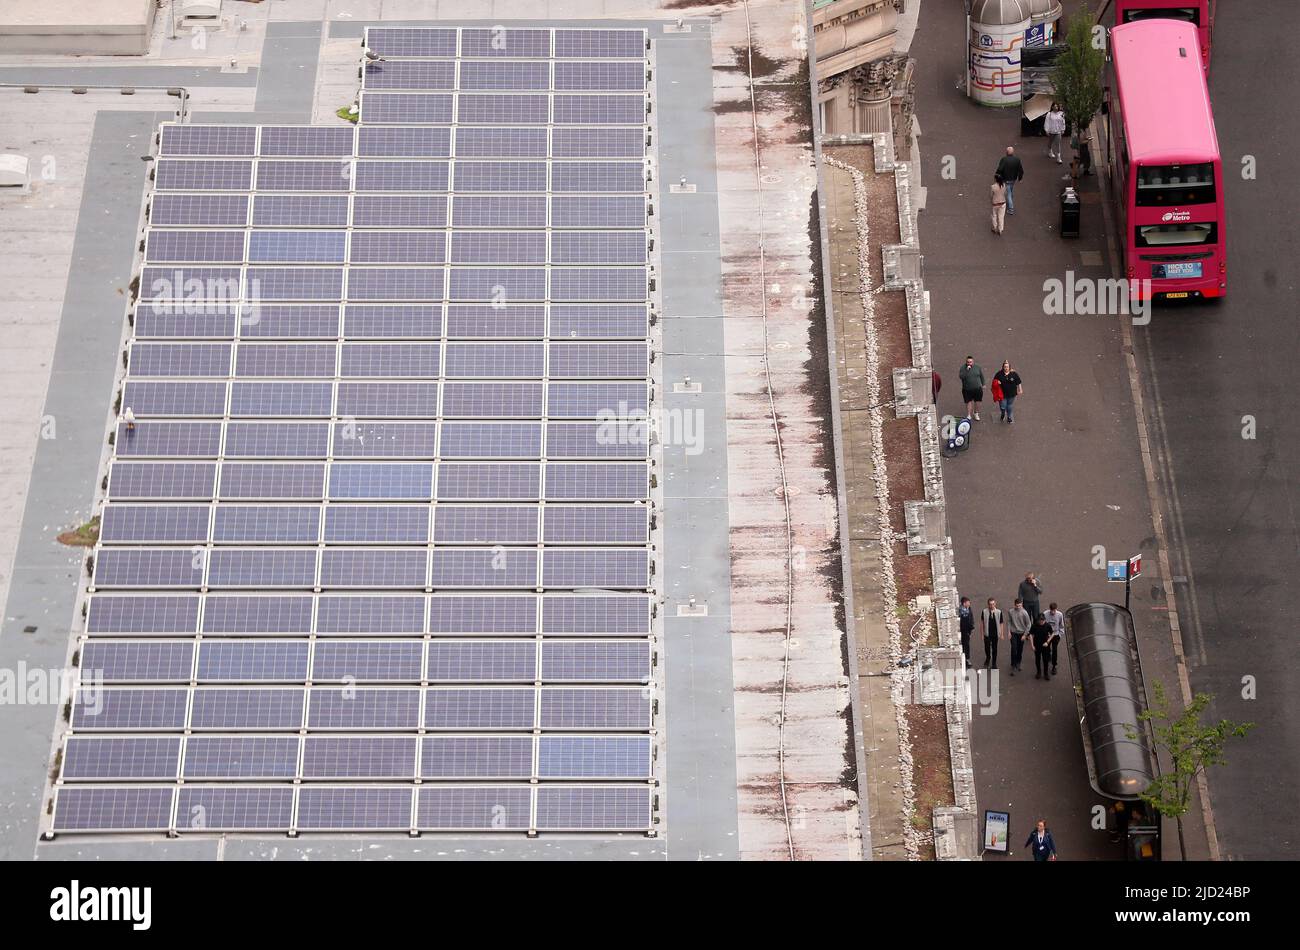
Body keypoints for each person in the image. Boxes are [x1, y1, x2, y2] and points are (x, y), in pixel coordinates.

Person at [995, 146, 1024, 215]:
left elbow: (1000, 169)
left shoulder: (1004, 160)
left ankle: (1011, 208)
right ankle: (1010, 199)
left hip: (1006, 179)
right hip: (1013, 179)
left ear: (1006, 152)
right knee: (1010, 190)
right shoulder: (1017, 160)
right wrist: (1020, 178)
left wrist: (997, 176)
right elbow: (1021, 170)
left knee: (1008, 193)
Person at [980, 597, 1006, 670]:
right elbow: (982, 623)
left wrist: (1002, 633)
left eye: (993, 604)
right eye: (990, 604)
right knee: (987, 648)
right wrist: (982, 634)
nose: (992, 606)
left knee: (995, 649)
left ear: (995, 604)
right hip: (987, 634)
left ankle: (994, 663)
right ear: (988, 605)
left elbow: (1001, 623)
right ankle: (988, 658)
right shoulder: (984, 611)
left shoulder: (999, 612)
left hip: (995, 634)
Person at [1007, 597, 1031, 675]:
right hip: (1013, 632)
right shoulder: (1010, 611)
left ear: (1022, 605)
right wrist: (1009, 632)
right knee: (1014, 649)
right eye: (1017, 606)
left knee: (1020, 649)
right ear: (1014, 605)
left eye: (1020, 606)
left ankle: (1018, 662)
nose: (1018, 607)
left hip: (1021, 634)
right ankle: (1013, 664)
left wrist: (1025, 635)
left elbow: (1028, 624)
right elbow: (1009, 621)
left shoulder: (1024, 613)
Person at [959, 356, 985, 421]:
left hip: (977, 388)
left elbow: (981, 376)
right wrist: (967, 371)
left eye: (970, 362)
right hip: (967, 389)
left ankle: (976, 413)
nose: (969, 363)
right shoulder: (963, 368)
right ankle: (969, 415)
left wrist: (983, 384)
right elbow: (961, 377)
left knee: (978, 402)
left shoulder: (977, 367)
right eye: (968, 362)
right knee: (968, 402)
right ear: (966, 362)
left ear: (973, 362)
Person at [1029, 613, 1053, 679]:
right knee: (1037, 659)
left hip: (1045, 646)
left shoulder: (1048, 625)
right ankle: (1038, 672)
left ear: (1044, 619)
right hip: (1037, 645)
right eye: (1040, 620)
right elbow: (1031, 634)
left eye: (1043, 620)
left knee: (1045, 660)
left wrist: (1047, 642)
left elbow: (1052, 634)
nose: (1041, 622)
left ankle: (1046, 673)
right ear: (1038, 620)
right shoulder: (1034, 626)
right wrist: (1032, 645)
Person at [1045, 602, 1065, 675]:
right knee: (1047, 648)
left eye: (1054, 610)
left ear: (1056, 609)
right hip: (1047, 635)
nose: (1053, 612)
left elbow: (1061, 625)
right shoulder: (1045, 614)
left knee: (1055, 650)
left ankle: (1054, 666)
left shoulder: (1059, 615)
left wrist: (1060, 634)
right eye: (1051, 610)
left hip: (1056, 635)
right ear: (1049, 609)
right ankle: (1048, 655)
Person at [958, 596, 975, 666]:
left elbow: (971, 618)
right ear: (964, 603)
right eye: (968, 602)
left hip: (967, 631)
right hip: (964, 631)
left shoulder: (968, 609)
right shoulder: (963, 612)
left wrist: (972, 627)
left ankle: (966, 659)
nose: (969, 603)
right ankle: (965, 659)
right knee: (965, 645)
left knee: (966, 645)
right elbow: (965, 623)